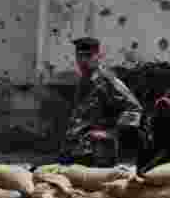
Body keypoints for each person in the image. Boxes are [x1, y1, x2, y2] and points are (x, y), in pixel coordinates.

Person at [60, 37, 145, 167]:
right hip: (76, 150)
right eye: (79, 56)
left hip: (99, 153)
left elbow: (134, 109)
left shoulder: (107, 80)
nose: (83, 61)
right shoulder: (84, 80)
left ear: (98, 56)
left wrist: (110, 133)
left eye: (88, 56)